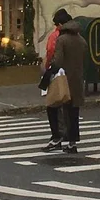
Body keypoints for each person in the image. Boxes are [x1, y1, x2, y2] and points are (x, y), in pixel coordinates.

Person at [47, 9, 86, 154]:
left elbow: (58, 61)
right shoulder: (81, 39)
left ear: (62, 24)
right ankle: (72, 143)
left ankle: (58, 137)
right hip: (77, 79)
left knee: (55, 108)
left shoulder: (61, 40)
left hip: (63, 80)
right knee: (73, 112)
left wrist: (49, 74)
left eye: (57, 24)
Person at [42, 13, 63, 152]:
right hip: (71, 74)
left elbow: (50, 51)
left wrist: (47, 66)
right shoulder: (76, 36)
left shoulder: (55, 36)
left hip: (56, 73)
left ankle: (57, 135)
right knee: (67, 105)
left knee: (53, 104)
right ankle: (68, 137)